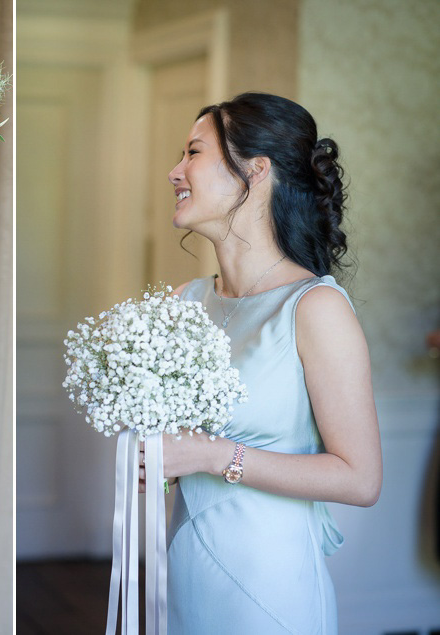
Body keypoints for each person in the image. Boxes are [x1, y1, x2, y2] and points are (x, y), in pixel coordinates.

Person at [138, 92, 382, 633]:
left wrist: (213, 455)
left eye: (193, 152)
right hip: (181, 578)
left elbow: (360, 479)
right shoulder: (182, 303)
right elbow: (173, 450)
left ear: (256, 170)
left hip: (268, 594)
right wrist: (149, 464)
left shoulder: (315, 309)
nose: (175, 172)